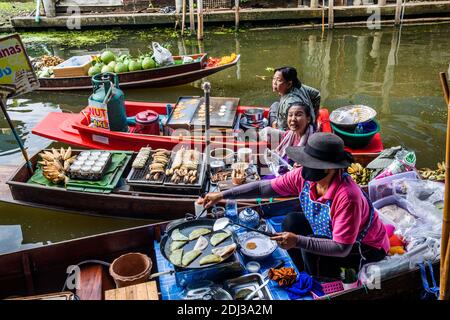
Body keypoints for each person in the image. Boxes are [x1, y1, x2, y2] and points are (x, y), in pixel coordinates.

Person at [199, 133, 389, 278]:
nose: (303, 167)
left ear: (330, 167)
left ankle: (314, 279)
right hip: (332, 233)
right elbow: (264, 188)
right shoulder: (304, 177)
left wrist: (298, 241)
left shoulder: (347, 197)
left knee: (309, 247)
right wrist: (222, 195)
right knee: (291, 222)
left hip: (364, 248)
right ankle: (302, 270)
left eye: (311, 163)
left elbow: (341, 248)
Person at [264, 102, 314, 177]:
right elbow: (272, 133)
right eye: (290, 115)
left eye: (299, 115)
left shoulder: (312, 143)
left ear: (308, 119)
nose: (293, 119)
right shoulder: (290, 134)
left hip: (292, 179)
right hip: (281, 173)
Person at [269, 67, 321, 131]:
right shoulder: (298, 86)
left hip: (289, 131)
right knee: (275, 105)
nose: (274, 83)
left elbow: (292, 126)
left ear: (289, 84)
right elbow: (316, 94)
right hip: (308, 122)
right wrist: (314, 117)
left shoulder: (290, 103)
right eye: (274, 79)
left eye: (279, 80)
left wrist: (275, 127)